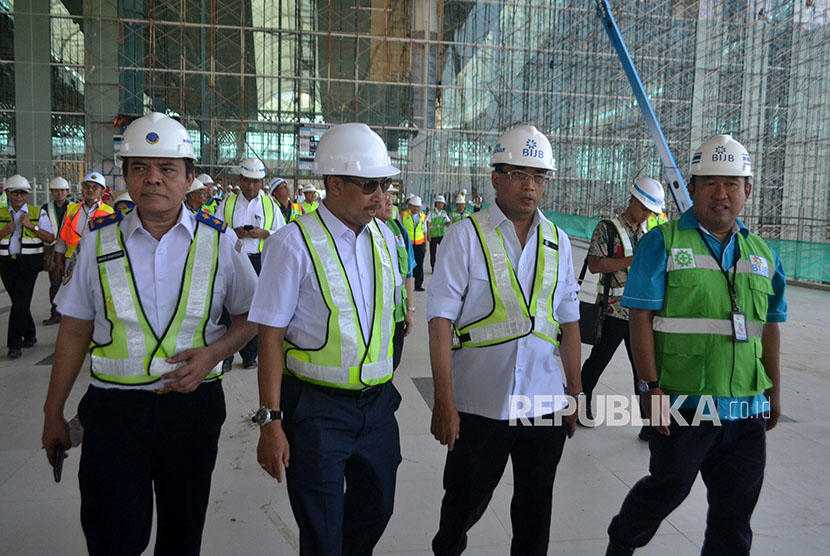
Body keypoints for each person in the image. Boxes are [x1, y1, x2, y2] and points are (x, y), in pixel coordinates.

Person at [41, 112, 258, 556]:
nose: (153, 179)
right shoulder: (98, 244)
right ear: (124, 177)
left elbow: (252, 315)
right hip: (113, 413)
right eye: (139, 168)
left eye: (167, 169)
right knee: (112, 535)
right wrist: (52, 411)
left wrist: (213, 353)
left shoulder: (218, 243)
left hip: (192, 411)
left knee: (181, 535)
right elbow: (75, 329)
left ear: (189, 178)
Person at [604, 135, 787, 555]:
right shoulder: (662, 242)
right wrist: (649, 387)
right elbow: (641, 317)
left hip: (746, 408)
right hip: (684, 406)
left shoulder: (764, 255)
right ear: (692, 187)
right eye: (708, 183)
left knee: (735, 513)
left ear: (748, 190)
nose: (720, 194)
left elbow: (770, 327)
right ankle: (621, 542)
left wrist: (774, 388)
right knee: (664, 492)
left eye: (731, 184)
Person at [428, 125, 581, 556]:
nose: (530, 186)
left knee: (535, 517)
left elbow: (568, 323)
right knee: (461, 507)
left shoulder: (559, 242)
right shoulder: (465, 236)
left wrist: (575, 393)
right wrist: (445, 399)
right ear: (496, 177)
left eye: (539, 176)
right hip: (479, 405)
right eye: (518, 174)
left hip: (544, 403)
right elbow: (440, 320)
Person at [251, 122, 403, 556]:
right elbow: (269, 337)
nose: (381, 195)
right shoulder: (292, 244)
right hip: (316, 412)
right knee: (320, 531)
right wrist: (270, 421)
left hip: (376, 409)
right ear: (334, 184)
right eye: (370, 184)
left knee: (377, 509)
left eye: (385, 184)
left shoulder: (385, 241)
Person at [579, 177, 664, 437]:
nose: (647, 214)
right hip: (613, 311)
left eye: (651, 211)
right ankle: (580, 405)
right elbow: (595, 265)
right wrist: (631, 259)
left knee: (643, 370)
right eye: (644, 208)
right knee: (598, 362)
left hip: (640, 315)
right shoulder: (608, 229)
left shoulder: (649, 233)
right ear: (632, 200)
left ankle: (648, 423)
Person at [218, 158, 285, 369]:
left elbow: (283, 234)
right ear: (240, 180)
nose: (251, 186)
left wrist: (265, 234)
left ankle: (250, 356)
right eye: (247, 181)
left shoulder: (270, 206)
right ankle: (226, 357)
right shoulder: (227, 203)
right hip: (232, 259)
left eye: (256, 181)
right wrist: (233, 233)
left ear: (262, 182)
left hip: (258, 261)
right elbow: (215, 230)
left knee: (256, 309)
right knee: (225, 308)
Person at [0, 175, 55, 358]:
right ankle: (30, 335)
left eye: (22, 193)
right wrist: (4, 231)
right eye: (14, 193)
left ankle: (14, 345)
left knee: (21, 302)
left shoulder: (38, 212)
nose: (18, 197)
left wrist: (32, 227)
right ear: (7, 193)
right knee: (19, 303)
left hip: (29, 263)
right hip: (6, 263)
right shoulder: (0, 212)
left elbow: (50, 238)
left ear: (28, 195)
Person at [377, 183, 416, 369]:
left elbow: (408, 274)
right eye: (385, 196)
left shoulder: (399, 230)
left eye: (391, 197)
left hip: (397, 316)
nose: (389, 202)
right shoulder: (361, 231)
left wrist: (410, 310)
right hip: (374, 318)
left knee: (393, 364)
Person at [55, 171, 114, 279]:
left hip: (96, 260)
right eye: (86, 186)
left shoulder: (109, 213)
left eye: (95, 187)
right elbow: (61, 240)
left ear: (102, 191)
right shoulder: (71, 209)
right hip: (71, 261)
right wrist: (59, 262)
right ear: (82, 189)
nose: (90, 190)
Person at [42, 177, 71, 326]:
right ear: (52, 192)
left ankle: (71, 313)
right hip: (53, 249)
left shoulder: (75, 207)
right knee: (55, 282)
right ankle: (56, 313)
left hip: (72, 249)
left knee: (73, 283)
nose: (59, 193)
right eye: (56, 190)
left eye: (62, 190)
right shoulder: (46, 208)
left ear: (67, 192)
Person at [401, 195, 427, 291]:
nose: (416, 208)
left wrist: (426, 244)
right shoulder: (404, 215)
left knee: (419, 265)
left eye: (418, 207)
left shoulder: (423, 217)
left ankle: (418, 285)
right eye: (414, 206)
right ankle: (408, 285)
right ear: (410, 205)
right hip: (408, 245)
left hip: (420, 244)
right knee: (408, 265)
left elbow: (425, 231)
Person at [427, 195, 450, 271]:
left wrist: (448, 225)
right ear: (437, 203)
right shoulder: (431, 212)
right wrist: (428, 234)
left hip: (442, 235)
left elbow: (448, 221)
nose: (442, 205)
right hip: (433, 235)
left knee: (444, 251)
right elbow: (428, 223)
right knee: (433, 253)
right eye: (441, 203)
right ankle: (433, 267)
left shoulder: (444, 212)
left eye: (443, 204)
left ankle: (442, 266)